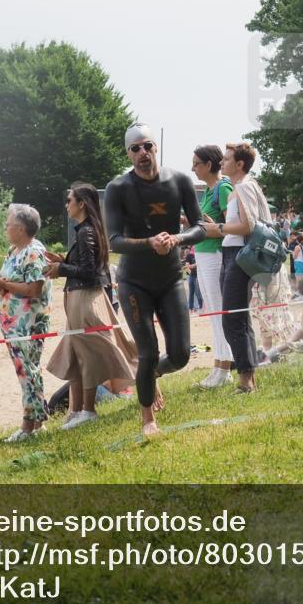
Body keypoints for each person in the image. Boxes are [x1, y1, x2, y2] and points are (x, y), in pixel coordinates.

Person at [104, 124, 205, 435]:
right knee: (147, 352)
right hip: (134, 282)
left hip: (170, 278)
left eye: (147, 145)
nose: (142, 153)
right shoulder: (118, 188)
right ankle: (148, 419)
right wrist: (149, 242)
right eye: (135, 148)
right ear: (128, 154)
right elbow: (114, 241)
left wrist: (177, 238)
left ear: (155, 148)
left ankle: (151, 376)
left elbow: (200, 227)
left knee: (180, 355)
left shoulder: (179, 181)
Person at [47, 183, 137, 430]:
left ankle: (88, 410)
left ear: (82, 204)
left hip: (85, 299)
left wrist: (60, 269)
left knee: (88, 355)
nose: (66, 205)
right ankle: (77, 410)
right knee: (76, 355)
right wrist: (63, 260)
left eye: (69, 200)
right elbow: (87, 265)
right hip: (79, 298)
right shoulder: (87, 230)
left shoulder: (86, 232)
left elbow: (88, 271)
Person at [202, 142, 273, 394]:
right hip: (231, 253)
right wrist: (217, 226)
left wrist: (217, 228)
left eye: (227, 159)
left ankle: (245, 380)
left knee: (232, 320)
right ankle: (248, 376)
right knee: (240, 318)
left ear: (240, 164)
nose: (222, 163)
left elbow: (248, 226)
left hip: (240, 256)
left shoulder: (243, 187)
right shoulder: (238, 188)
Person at [0, 204, 54, 442]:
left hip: (28, 323)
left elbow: (34, 289)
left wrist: (5, 285)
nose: (5, 228)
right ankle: (37, 421)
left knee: (27, 370)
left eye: (8, 224)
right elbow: (6, 282)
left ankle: (29, 426)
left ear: (20, 228)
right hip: (12, 323)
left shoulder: (34, 252)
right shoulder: (13, 250)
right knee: (26, 370)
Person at [191, 144, 234, 388]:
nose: (193, 168)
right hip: (204, 255)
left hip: (216, 256)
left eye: (196, 164)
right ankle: (218, 365)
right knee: (213, 313)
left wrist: (210, 228)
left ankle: (225, 368)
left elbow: (232, 227)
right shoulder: (208, 191)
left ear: (209, 165)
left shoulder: (223, 188)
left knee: (219, 313)